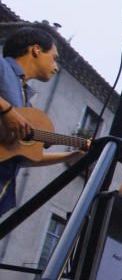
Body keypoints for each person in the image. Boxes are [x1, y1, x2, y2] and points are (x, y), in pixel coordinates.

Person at [0, 27, 88, 216]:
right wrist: (7, 111)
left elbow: (21, 155)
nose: (56, 67)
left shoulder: (25, 101)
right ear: (36, 50)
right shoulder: (2, 67)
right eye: (54, 58)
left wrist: (69, 157)